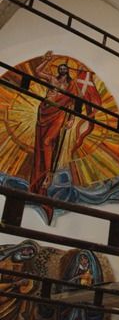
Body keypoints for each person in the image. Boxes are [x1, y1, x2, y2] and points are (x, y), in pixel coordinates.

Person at [29, 52, 79, 223]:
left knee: (48, 141)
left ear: (68, 71)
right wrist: (46, 61)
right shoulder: (52, 79)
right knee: (42, 146)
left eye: (65, 68)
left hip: (59, 114)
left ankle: (48, 175)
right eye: (60, 67)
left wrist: (72, 119)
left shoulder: (71, 86)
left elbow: (73, 102)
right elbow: (37, 72)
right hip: (45, 111)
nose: (62, 69)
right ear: (58, 70)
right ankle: (40, 179)